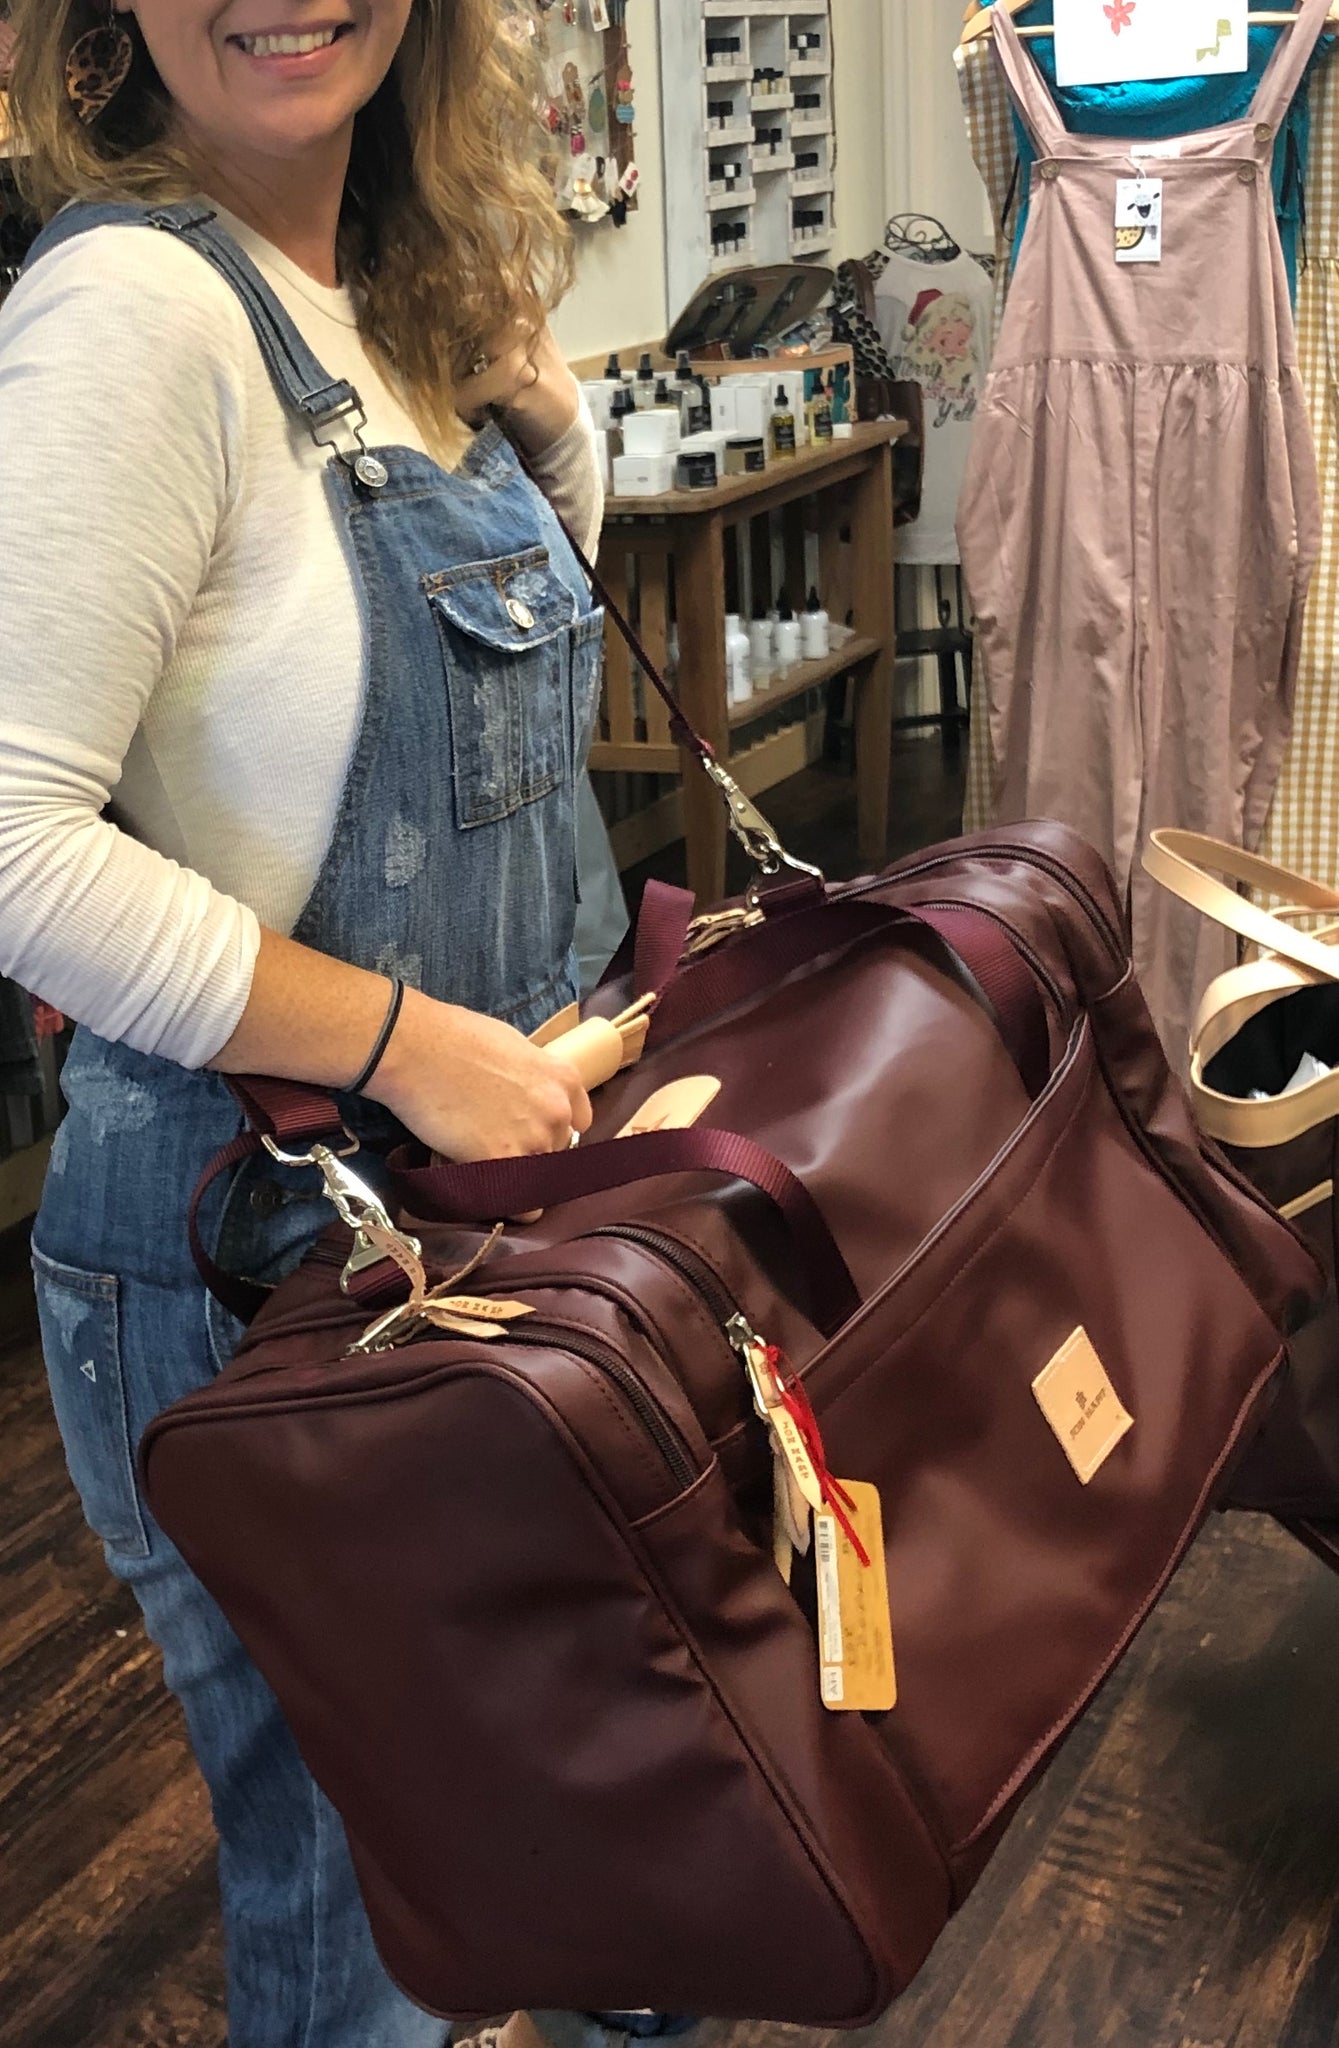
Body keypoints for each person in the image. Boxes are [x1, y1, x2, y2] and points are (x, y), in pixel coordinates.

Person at [0, 3, 637, 2043]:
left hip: (485, 1210)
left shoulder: (393, 290)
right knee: (367, 1908)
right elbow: (9, 842)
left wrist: (556, 436)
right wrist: (415, 1045)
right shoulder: (130, 313)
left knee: (579, 1792)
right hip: (260, 1254)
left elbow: (460, 722)